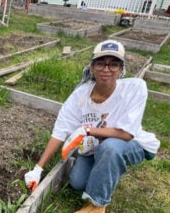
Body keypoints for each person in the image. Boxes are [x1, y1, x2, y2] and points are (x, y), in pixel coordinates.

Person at [24, 40, 160, 213]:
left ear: (121, 69)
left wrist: (88, 130)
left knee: (110, 148)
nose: (106, 69)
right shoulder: (81, 95)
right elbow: (60, 131)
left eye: (113, 64)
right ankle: (108, 169)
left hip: (133, 144)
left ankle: (97, 205)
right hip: (94, 148)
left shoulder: (135, 88)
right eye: (101, 63)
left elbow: (126, 134)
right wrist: (38, 169)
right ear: (93, 66)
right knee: (77, 182)